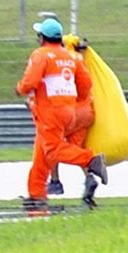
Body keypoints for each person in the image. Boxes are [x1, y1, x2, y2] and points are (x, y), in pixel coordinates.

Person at [15, 18, 108, 208]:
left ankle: (90, 160)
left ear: (42, 37)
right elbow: (85, 84)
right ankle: (37, 195)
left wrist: (20, 89)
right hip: (69, 110)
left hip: (49, 111)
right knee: (41, 153)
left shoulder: (41, 54)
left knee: (53, 149)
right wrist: (76, 101)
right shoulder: (73, 57)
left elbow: (30, 82)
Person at [47, 34, 98, 202]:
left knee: (50, 144)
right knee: (75, 149)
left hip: (70, 113)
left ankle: (55, 182)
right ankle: (89, 177)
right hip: (87, 112)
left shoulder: (59, 63)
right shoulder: (80, 60)